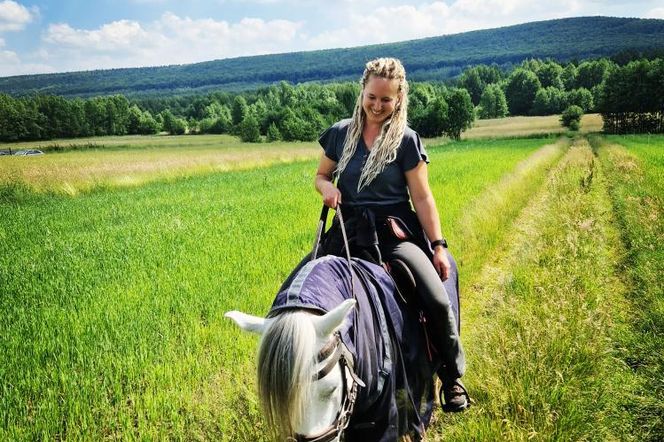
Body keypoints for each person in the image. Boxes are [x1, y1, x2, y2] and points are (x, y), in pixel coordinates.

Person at [311, 57, 470, 411]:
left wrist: (438, 246)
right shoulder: (340, 133)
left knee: (436, 298)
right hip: (348, 231)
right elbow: (321, 175)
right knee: (302, 288)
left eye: (386, 99)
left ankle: (452, 375)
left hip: (394, 232)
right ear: (362, 92)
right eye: (372, 97)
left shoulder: (406, 140)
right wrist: (326, 189)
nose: (377, 106)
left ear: (399, 99)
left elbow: (422, 197)